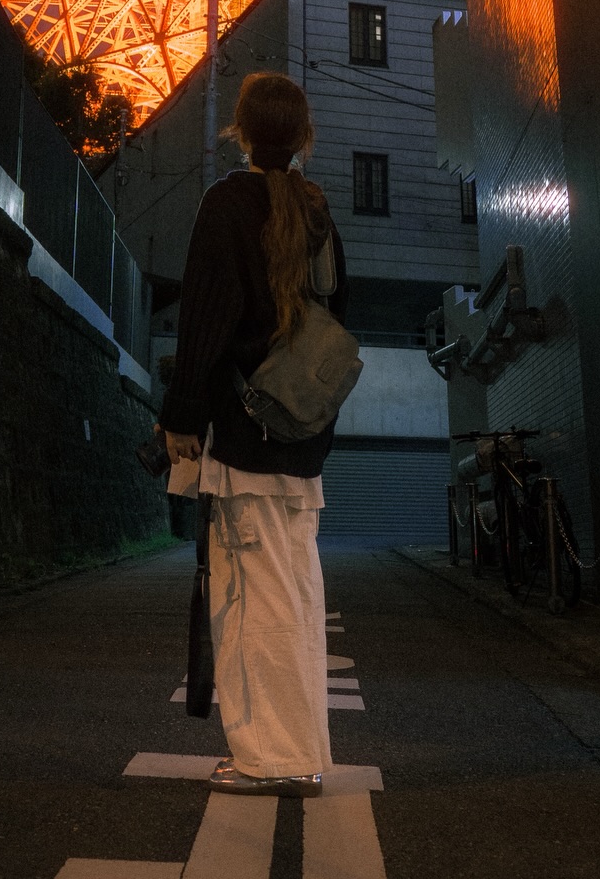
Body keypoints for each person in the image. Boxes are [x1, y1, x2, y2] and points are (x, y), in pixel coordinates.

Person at [160, 70, 349, 798]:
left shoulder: (228, 204)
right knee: (297, 595)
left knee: (251, 599)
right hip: (302, 435)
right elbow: (337, 317)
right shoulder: (317, 210)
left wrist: (181, 416)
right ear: (304, 137)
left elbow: (205, 319)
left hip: (245, 435)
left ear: (239, 130)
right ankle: (300, 749)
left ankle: (272, 759)